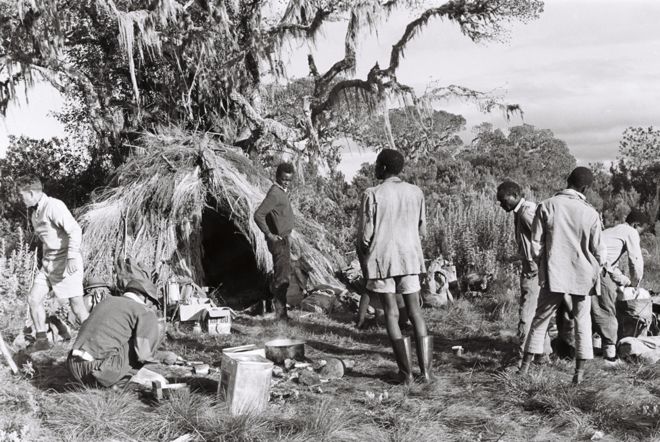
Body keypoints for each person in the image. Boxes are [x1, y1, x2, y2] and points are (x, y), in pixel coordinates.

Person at [519, 167, 606, 385]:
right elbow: (599, 251)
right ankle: (578, 374)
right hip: (582, 276)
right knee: (582, 323)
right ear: (585, 188)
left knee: (540, 320)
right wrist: (598, 267)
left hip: (553, 273)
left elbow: (536, 245)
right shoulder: (591, 213)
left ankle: (524, 369)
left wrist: (542, 264)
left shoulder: (547, 205)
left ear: (568, 181)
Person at [357, 149, 432, 384]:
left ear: (384, 167)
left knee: (391, 312)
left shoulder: (372, 194)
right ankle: (426, 373)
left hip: (383, 258)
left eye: (378, 164)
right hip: (410, 257)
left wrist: (363, 259)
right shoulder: (416, 192)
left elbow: (365, 236)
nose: (375, 168)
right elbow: (423, 231)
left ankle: (406, 373)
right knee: (415, 312)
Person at [17, 175, 89, 351]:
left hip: (66, 263)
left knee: (77, 307)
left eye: (22, 195)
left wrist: (71, 256)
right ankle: (42, 341)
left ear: (32, 193)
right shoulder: (35, 213)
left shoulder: (54, 206)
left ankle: (94, 342)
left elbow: (75, 230)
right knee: (33, 299)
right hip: (48, 265)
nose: (21, 199)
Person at [66, 275, 176, 388]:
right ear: (146, 298)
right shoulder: (144, 311)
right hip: (95, 372)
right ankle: (118, 383)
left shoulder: (105, 302)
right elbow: (144, 355)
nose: (152, 307)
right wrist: (164, 356)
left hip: (73, 369)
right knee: (139, 347)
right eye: (152, 303)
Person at [496, 181, 551, 362]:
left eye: (503, 200)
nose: (501, 204)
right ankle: (542, 353)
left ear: (515, 195)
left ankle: (522, 356)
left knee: (527, 313)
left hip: (534, 271)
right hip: (533, 268)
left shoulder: (527, 213)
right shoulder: (520, 211)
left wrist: (536, 265)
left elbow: (544, 239)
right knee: (538, 311)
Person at [592, 209, 649, 361]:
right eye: (642, 230)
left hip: (587, 268)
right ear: (636, 225)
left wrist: (624, 280)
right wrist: (635, 285)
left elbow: (609, 263)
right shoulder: (630, 231)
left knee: (586, 311)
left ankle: (573, 351)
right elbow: (636, 262)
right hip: (598, 271)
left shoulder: (612, 231)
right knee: (606, 311)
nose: (641, 235)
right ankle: (610, 357)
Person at [254, 162, 295, 322]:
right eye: (284, 179)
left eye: (289, 180)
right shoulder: (275, 194)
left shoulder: (282, 192)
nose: (286, 182)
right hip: (279, 241)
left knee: (283, 276)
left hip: (285, 238)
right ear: (278, 176)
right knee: (281, 279)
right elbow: (258, 215)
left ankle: (282, 314)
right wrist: (269, 235)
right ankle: (280, 316)